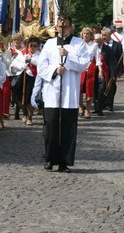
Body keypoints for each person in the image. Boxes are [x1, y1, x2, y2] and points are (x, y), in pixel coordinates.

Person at [37, 14, 89, 172]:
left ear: (71, 27)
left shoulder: (79, 44)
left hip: (69, 94)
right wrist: (54, 70)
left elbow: (83, 64)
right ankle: (50, 158)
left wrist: (68, 58)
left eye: (65, 26)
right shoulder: (50, 44)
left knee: (67, 128)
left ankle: (64, 162)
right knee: (51, 126)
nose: (62, 29)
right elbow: (41, 66)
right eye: (59, 26)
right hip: (52, 92)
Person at [11, 36, 41, 125]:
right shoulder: (23, 53)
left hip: (33, 78)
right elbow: (14, 65)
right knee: (19, 98)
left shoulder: (40, 55)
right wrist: (22, 65)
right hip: (21, 77)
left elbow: (41, 64)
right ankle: (24, 113)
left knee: (29, 98)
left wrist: (31, 60)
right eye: (31, 45)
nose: (32, 47)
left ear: (38, 46)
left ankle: (29, 116)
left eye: (35, 46)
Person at [100, 27, 123, 112]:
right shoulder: (100, 44)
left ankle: (110, 104)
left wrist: (119, 70)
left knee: (111, 86)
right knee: (102, 86)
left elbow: (121, 58)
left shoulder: (117, 44)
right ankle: (102, 103)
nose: (103, 37)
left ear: (109, 34)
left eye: (104, 35)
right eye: (102, 35)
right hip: (103, 69)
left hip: (113, 69)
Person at [78, 28, 97, 118]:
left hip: (90, 67)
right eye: (84, 33)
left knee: (89, 91)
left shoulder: (94, 45)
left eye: (88, 33)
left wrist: (100, 70)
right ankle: (81, 107)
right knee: (79, 90)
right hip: (80, 67)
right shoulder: (78, 44)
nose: (85, 35)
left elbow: (97, 58)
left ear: (91, 35)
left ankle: (88, 110)